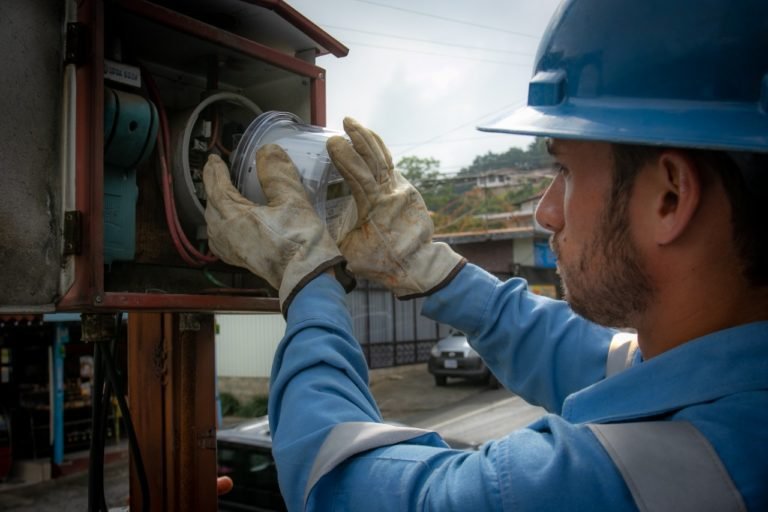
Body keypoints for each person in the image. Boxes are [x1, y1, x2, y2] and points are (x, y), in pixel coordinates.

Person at [203, 0, 768, 510]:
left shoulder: (646, 479)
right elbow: (591, 358)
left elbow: (340, 478)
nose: (545, 212)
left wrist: (307, 280)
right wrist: (434, 271)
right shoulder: (728, 378)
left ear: (670, 196)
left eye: (564, 170)